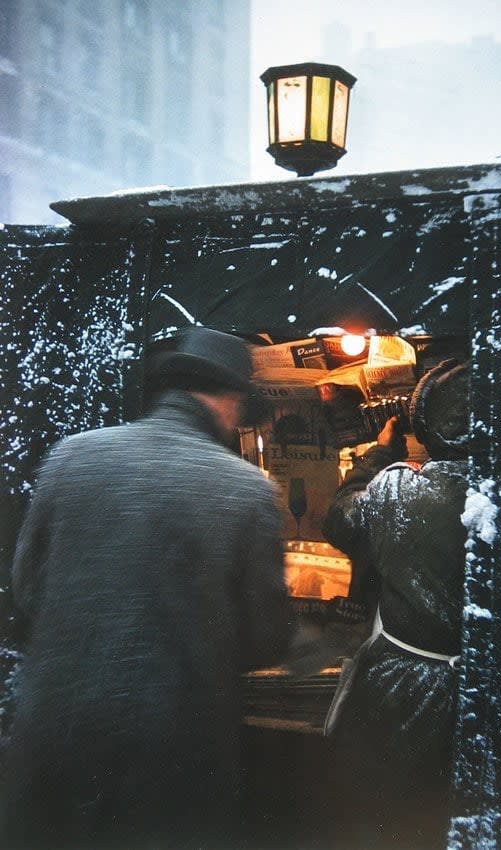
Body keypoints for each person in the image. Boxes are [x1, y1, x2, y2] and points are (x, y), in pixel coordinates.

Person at [0, 326, 293, 850]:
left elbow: (26, 590)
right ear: (229, 400)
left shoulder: (71, 456)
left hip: (55, 737)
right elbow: (265, 639)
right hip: (172, 758)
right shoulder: (246, 490)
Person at [322, 358, 470, 850]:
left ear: (424, 425)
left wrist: (379, 455)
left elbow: (340, 520)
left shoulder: (397, 490)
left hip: (404, 690)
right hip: (485, 694)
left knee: (391, 820)